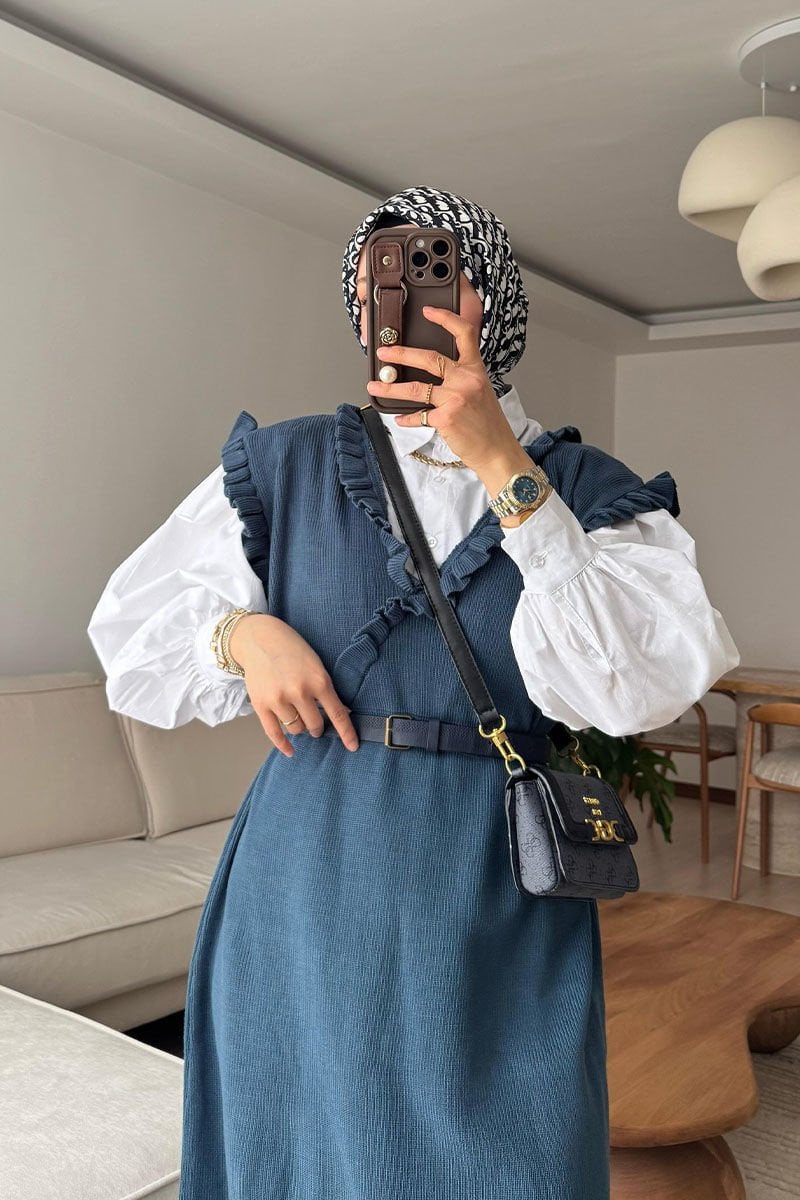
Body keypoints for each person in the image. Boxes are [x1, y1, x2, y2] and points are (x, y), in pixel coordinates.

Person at [87, 184, 740, 1200]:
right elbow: (130, 637)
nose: (391, 301)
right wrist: (239, 634)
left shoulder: (585, 486)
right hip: (307, 863)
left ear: (491, 301)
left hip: (490, 869)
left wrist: (501, 463)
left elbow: (641, 686)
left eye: (430, 275)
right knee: (299, 1139)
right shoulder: (287, 464)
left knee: (509, 1143)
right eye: (373, 281)